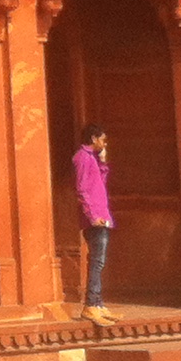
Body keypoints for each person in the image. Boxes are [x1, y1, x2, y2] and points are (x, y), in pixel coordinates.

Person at [71, 123, 116, 325]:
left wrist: (103, 163)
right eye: (103, 139)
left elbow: (99, 184)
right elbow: (82, 189)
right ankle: (90, 304)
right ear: (94, 138)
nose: (104, 143)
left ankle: (97, 304)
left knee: (100, 261)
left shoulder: (92, 159)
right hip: (95, 217)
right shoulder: (82, 158)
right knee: (97, 262)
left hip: (101, 214)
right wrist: (91, 215)